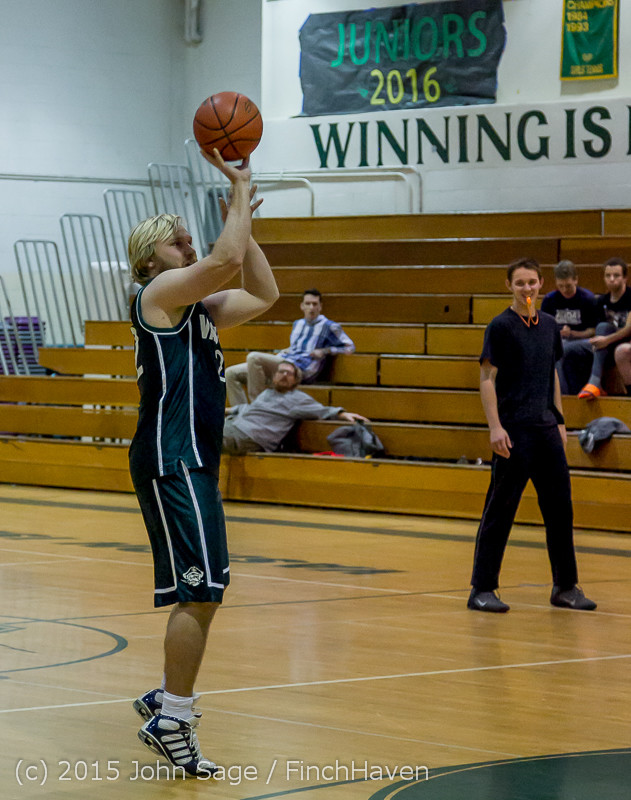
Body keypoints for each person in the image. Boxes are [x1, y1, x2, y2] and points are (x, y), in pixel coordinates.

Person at [126, 151, 279, 776]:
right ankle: (174, 717)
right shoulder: (157, 295)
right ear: (148, 261)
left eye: (191, 239)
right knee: (199, 592)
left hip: (191, 461)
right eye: (176, 242)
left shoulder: (204, 312)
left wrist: (246, 227)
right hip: (173, 458)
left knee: (206, 589)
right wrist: (239, 190)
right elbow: (225, 260)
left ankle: (168, 699)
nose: (190, 247)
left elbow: (265, 291)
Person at [468, 257, 596, 614]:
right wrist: (495, 427)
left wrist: (558, 419)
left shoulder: (551, 326)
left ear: (542, 284)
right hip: (513, 432)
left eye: (532, 282)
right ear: (509, 285)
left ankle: (566, 587)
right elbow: (486, 379)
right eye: (519, 283)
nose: (527, 289)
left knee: (560, 510)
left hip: (546, 431)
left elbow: (551, 374)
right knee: (500, 510)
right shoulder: (500, 327)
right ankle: (482, 588)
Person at [225, 288, 355, 405]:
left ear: (320, 306)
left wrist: (325, 350)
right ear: (302, 306)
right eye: (308, 304)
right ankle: (240, 413)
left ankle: (259, 408)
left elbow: (350, 347)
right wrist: (288, 349)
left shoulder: (329, 326)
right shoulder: (298, 323)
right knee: (230, 373)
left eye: (315, 304)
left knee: (254, 357)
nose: (311, 307)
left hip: (299, 369)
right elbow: (297, 347)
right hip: (285, 361)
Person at [222, 360, 368, 454]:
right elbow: (248, 409)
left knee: (203, 438)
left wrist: (343, 414)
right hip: (233, 426)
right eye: (281, 372)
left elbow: (322, 410)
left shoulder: (297, 398)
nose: (284, 375)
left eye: (289, 373)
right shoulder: (268, 393)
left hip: (249, 436)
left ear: (295, 381)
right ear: (274, 377)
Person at [574, 257, 631, 399]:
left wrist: (606, 340)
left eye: (616, 275)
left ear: (625, 278)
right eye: (608, 275)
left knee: (604, 327)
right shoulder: (600, 301)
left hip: (623, 340)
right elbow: (595, 330)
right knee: (566, 348)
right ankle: (567, 396)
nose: (612, 279)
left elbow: (629, 328)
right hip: (605, 345)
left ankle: (594, 382)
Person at [540, 260, 597, 394]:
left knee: (560, 349)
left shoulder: (587, 299)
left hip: (584, 341)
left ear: (576, 280)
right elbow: (543, 328)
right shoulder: (549, 300)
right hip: (560, 340)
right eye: (561, 286)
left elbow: (593, 331)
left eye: (568, 286)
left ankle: (563, 396)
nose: (564, 290)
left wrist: (572, 333)